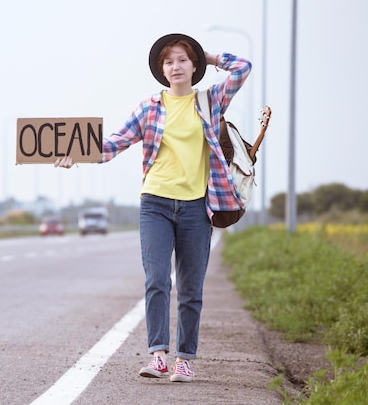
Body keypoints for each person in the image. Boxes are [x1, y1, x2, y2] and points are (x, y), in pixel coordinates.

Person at [54, 33, 251, 383]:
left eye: (182, 60)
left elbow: (242, 68)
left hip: (196, 208)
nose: (175, 66)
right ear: (162, 69)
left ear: (194, 66)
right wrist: (77, 155)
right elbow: (115, 143)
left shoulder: (209, 102)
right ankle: (158, 355)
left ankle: (184, 359)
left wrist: (209, 55)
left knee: (191, 289)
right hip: (155, 203)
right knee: (157, 279)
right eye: (168, 61)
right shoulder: (149, 107)